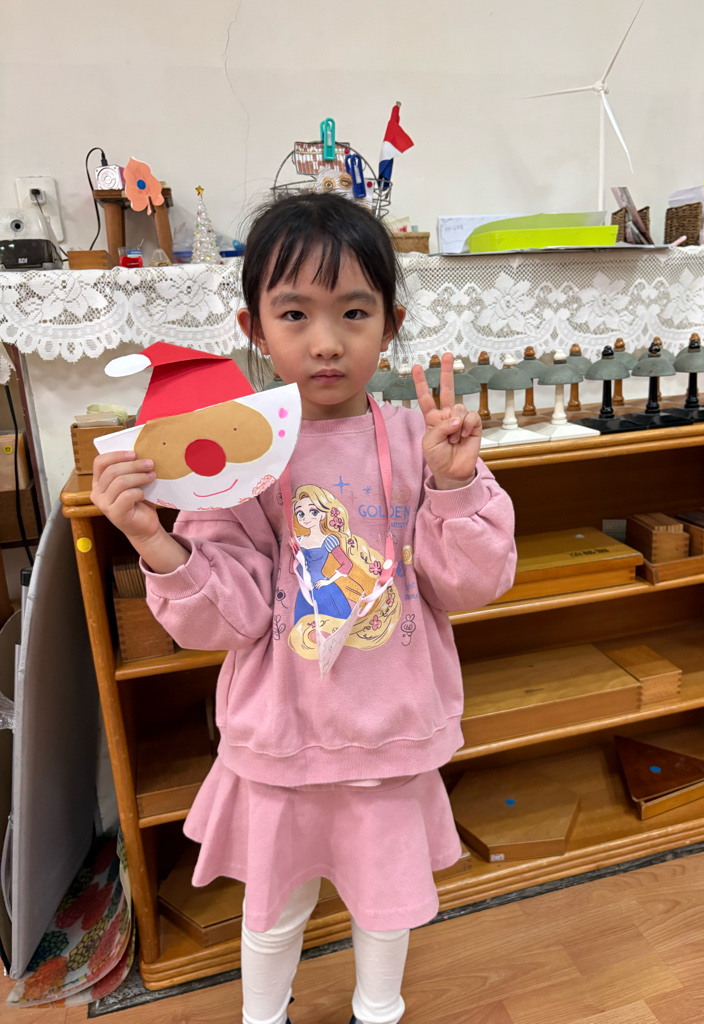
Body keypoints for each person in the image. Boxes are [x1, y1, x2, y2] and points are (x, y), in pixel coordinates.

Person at [90, 191, 516, 1024]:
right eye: (295, 314)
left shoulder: (421, 440)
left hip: (389, 736)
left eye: (354, 312)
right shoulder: (236, 452)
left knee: (385, 906)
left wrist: (457, 482)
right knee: (273, 908)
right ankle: (264, 1016)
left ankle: (377, 1011)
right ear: (253, 328)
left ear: (390, 325)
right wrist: (153, 539)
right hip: (281, 738)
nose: (326, 342)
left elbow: (472, 582)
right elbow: (230, 619)